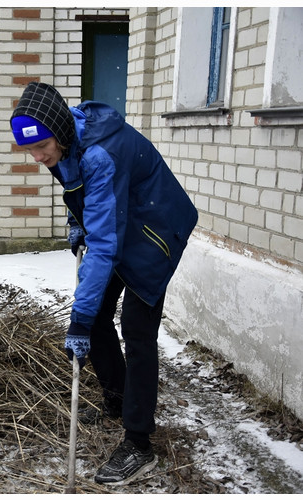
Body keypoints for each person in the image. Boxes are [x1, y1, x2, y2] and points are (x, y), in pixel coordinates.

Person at [10, 81, 198, 486]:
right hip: (121, 220)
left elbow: (106, 244)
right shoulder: (64, 141)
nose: (38, 158)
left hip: (154, 233)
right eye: (30, 150)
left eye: (41, 147)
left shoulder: (101, 153)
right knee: (96, 319)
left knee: (137, 328)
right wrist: (77, 222)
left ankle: (139, 442)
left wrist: (76, 317)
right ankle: (117, 397)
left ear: (59, 132)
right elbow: (78, 189)